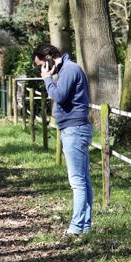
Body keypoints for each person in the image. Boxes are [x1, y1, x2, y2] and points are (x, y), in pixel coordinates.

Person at [33, 43, 93, 235]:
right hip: (73, 128)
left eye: (40, 64)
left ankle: (77, 227)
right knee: (83, 180)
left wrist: (47, 79)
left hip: (74, 129)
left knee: (77, 181)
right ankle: (84, 225)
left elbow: (59, 96)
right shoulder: (68, 69)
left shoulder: (69, 69)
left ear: (49, 58)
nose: (41, 69)